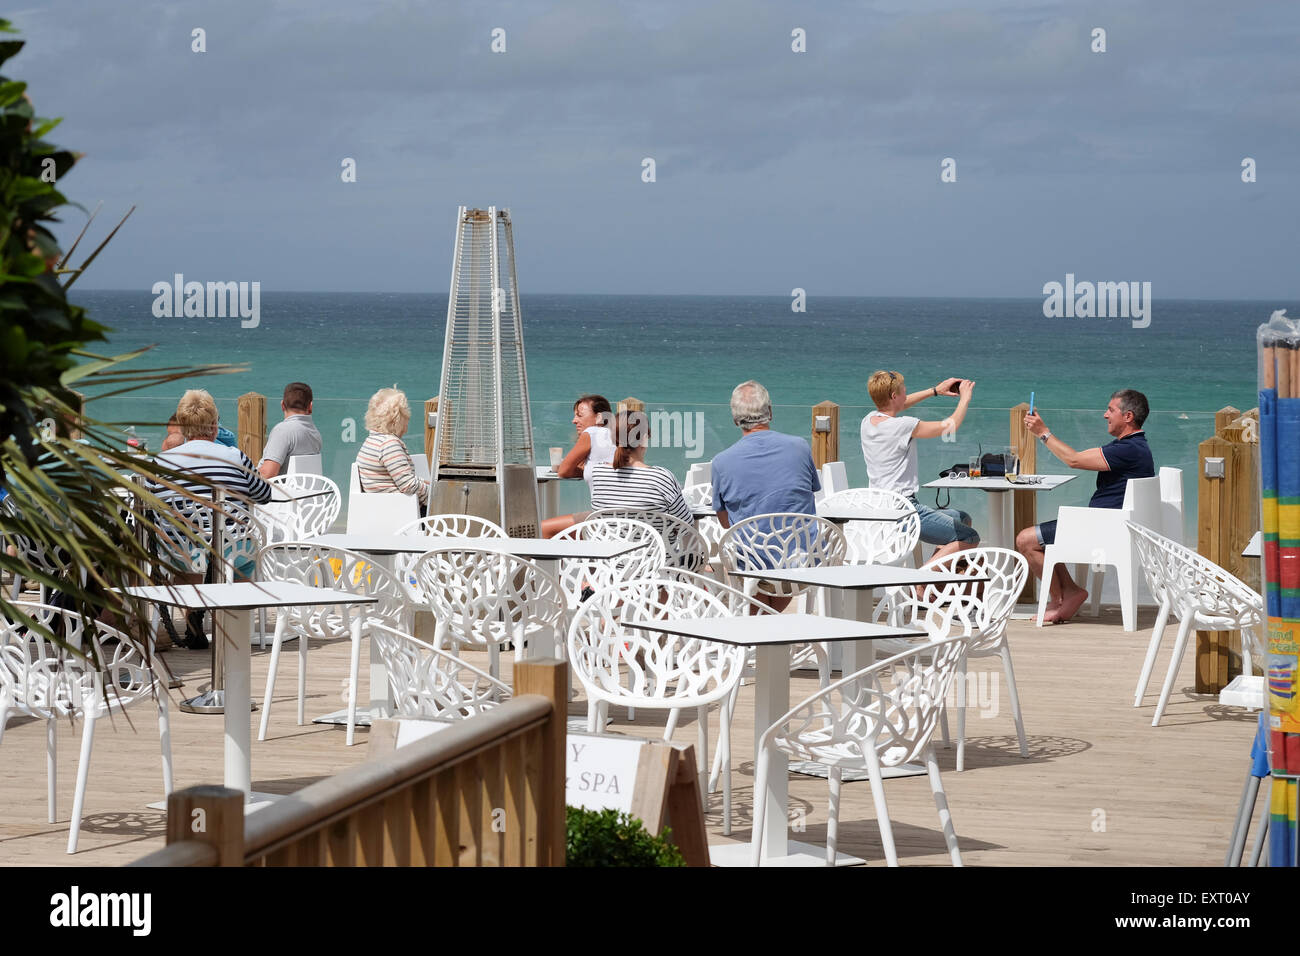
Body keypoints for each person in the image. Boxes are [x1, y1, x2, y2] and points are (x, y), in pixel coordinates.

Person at [1016, 388, 1155, 624]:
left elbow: (1073, 460)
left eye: (1110, 410)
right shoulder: (1133, 446)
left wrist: (1043, 433)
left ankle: (1060, 599)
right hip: (1109, 524)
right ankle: (1069, 592)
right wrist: (1045, 434)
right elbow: (1077, 455)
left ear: (1128, 416)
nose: (1105, 415)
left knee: (1026, 539)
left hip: (1104, 527)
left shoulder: (1128, 450)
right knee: (1044, 538)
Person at [154, 389, 274, 648]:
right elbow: (264, 495)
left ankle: (192, 618)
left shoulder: (162, 461)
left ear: (182, 426)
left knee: (189, 550)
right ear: (215, 425)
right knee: (238, 557)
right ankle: (235, 631)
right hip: (229, 549)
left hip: (180, 550)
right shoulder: (234, 456)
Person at [711, 381, 821, 610]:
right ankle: (769, 630)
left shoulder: (722, 462)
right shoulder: (800, 447)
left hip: (754, 566)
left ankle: (762, 633)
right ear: (769, 412)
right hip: (801, 564)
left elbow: (725, 523)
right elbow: (807, 495)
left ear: (735, 420)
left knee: (744, 566)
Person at [861, 371, 980, 561]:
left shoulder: (868, 421)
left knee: (962, 518)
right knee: (970, 536)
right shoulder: (903, 426)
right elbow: (950, 426)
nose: (906, 392)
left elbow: (899, 403)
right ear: (893, 396)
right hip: (905, 511)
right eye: (902, 390)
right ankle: (922, 583)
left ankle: (935, 579)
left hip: (880, 507)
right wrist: (965, 398)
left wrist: (935, 391)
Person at [588, 410, 693, 523]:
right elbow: (686, 522)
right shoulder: (661, 478)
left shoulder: (598, 472)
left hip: (607, 540)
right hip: (653, 541)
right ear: (644, 438)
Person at [540, 394, 614, 538]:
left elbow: (564, 471)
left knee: (543, 529)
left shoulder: (592, 433)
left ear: (599, 417)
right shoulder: (619, 436)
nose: (574, 421)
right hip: (630, 520)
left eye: (580, 415)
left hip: (605, 521)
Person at [354, 387, 429, 507]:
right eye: (406, 417)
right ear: (397, 420)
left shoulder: (372, 441)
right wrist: (434, 495)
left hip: (381, 507)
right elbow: (408, 485)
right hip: (401, 509)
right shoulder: (389, 445)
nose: (408, 420)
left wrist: (422, 482)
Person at [259, 382, 323, 479]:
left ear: (282, 405)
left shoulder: (283, 431)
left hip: (275, 492)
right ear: (310, 407)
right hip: (303, 493)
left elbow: (267, 473)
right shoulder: (315, 434)